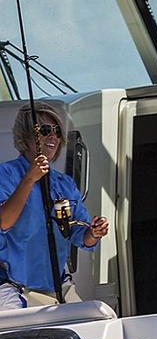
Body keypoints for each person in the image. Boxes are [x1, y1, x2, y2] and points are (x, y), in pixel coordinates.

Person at [0, 102, 109, 310]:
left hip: (59, 288)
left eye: (57, 131)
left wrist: (94, 232)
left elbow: (79, 234)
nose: (53, 137)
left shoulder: (64, 183)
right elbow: (3, 222)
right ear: (25, 136)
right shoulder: (5, 175)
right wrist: (29, 180)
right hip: (14, 288)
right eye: (44, 130)